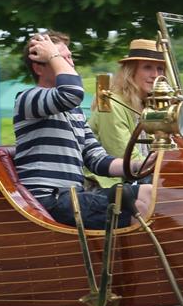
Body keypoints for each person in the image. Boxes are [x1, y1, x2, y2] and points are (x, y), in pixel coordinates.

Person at [14, 31, 155, 226]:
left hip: (70, 198)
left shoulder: (74, 110)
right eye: (62, 59)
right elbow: (72, 91)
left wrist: (141, 165)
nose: (71, 64)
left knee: (151, 193)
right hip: (47, 200)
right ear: (39, 68)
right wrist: (53, 55)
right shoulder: (28, 99)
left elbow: (97, 159)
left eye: (70, 57)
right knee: (138, 207)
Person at [90, 38, 169, 189]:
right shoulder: (112, 105)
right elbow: (126, 158)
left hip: (143, 180)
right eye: (147, 67)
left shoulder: (153, 105)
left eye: (160, 69)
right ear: (130, 71)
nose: (155, 75)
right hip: (112, 189)